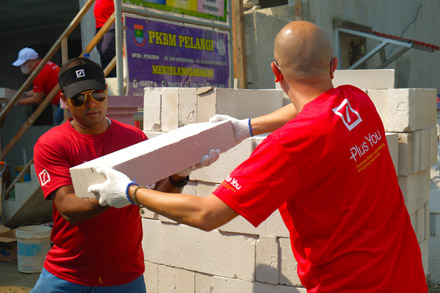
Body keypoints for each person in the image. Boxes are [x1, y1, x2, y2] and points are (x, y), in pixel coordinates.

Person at [89, 21, 428, 292]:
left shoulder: (288, 147)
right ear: (334, 66)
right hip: (405, 275)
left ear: (275, 71)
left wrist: (130, 190)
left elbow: (208, 215)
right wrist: (244, 127)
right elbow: (307, 111)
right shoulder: (357, 101)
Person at [31, 57, 217, 292]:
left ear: (107, 92)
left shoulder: (134, 139)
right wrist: (112, 196)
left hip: (124, 278)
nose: (91, 104)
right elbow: (67, 207)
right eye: (79, 98)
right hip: (67, 276)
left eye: (97, 94)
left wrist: (179, 175)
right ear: (64, 101)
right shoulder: (52, 144)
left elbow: (158, 199)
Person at [12, 47, 64, 125]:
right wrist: (24, 95)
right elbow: (39, 90)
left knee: (59, 119)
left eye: (24, 63)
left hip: (65, 98)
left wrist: (16, 103)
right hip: (67, 94)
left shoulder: (38, 73)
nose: (22, 66)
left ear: (33, 61)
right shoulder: (44, 64)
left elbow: (37, 99)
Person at [94, 0, 116, 77]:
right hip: (100, 24)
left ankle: (113, 77)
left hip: (114, 20)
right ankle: (108, 78)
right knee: (102, 52)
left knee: (106, 49)